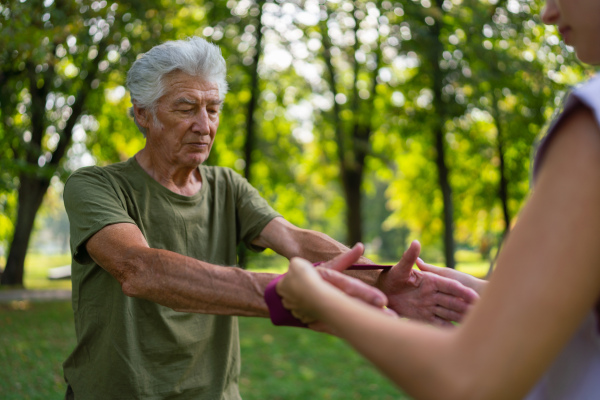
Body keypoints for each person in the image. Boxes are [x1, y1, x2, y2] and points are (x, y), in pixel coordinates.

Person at [62, 37, 478, 399]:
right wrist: (288, 297)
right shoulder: (95, 186)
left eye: (213, 108)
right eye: (186, 108)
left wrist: (381, 281)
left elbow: (295, 240)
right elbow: (139, 268)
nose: (204, 125)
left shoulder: (227, 186)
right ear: (142, 115)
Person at [276, 0, 600, 399]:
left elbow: (471, 381)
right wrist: (489, 294)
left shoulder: (593, 122)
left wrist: (322, 300)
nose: (547, 14)